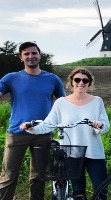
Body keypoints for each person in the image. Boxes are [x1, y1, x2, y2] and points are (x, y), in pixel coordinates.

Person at [20, 67, 110, 200]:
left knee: (101, 190)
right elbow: (48, 124)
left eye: (85, 80)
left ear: (89, 83)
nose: (81, 82)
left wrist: (100, 125)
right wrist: (30, 127)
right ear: (72, 82)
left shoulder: (97, 101)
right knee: (78, 192)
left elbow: (105, 125)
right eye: (77, 79)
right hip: (72, 153)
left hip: (94, 152)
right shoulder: (61, 103)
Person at [0, 41, 66, 200]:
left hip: (43, 133)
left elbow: (63, 103)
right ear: (20, 57)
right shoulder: (12, 78)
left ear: (40, 55)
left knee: (38, 176)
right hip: (17, 133)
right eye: (27, 54)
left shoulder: (52, 79)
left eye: (34, 53)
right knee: (9, 176)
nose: (31, 56)